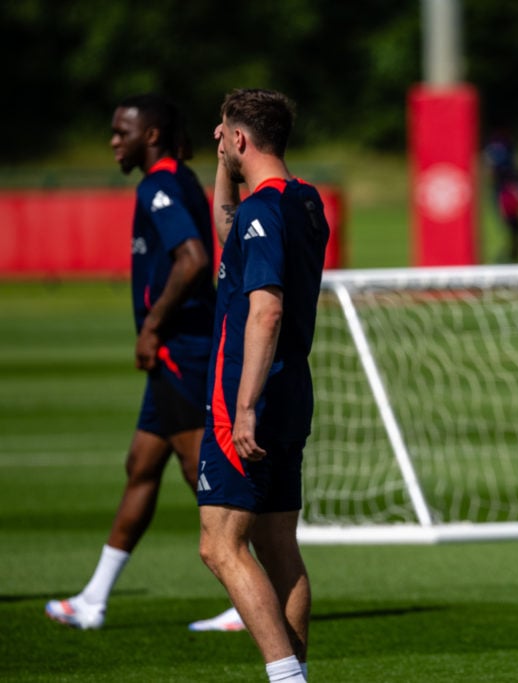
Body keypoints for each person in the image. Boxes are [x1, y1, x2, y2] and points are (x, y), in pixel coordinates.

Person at [45, 93, 242, 633]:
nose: (113, 141)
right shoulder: (174, 179)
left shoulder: (159, 183)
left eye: (120, 132)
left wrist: (152, 327)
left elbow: (195, 260)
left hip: (181, 351)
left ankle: (251, 597)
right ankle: (94, 599)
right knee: (142, 466)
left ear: (149, 136)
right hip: (176, 355)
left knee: (203, 474)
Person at [197, 88, 329, 683]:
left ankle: (287, 678)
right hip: (292, 390)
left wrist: (243, 404)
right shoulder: (304, 202)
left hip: (247, 395)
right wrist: (224, 170)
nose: (219, 142)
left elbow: (265, 312)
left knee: (221, 545)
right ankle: (294, 672)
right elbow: (230, 228)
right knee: (279, 549)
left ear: (241, 139)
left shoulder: (262, 213)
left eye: (224, 135)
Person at [484, 129, 518, 262]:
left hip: (507, 190)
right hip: (507, 190)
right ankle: (512, 251)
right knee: (513, 225)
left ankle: (513, 251)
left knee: (513, 224)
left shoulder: (498, 150)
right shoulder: (507, 150)